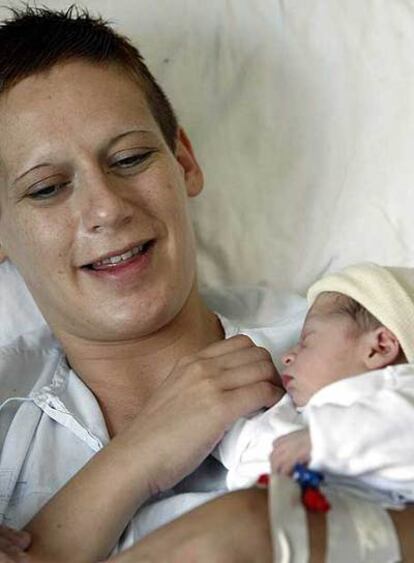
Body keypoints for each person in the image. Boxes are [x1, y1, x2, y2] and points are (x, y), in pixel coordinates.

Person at [0, 6, 412, 563]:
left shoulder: (357, 337)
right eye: (47, 188)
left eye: (130, 157)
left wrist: (253, 534)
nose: (105, 209)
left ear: (184, 161)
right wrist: (138, 457)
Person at [216, 262, 414, 510]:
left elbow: (402, 429)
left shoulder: (398, 390)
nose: (287, 356)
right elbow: (250, 439)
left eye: (307, 340)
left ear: (380, 347)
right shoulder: (296, 415)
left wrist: (322, 440)